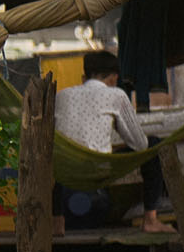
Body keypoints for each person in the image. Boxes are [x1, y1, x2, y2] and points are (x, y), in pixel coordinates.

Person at [54, 49, 167, 234]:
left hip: (66, 171)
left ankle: (57, 221)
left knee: (58, 158)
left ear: (85, 76)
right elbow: (140, 144)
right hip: (98, 169)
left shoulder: (61, 95)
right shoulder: (116, 95)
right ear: (114, 78)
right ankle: (150, 220)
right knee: (153, 145)